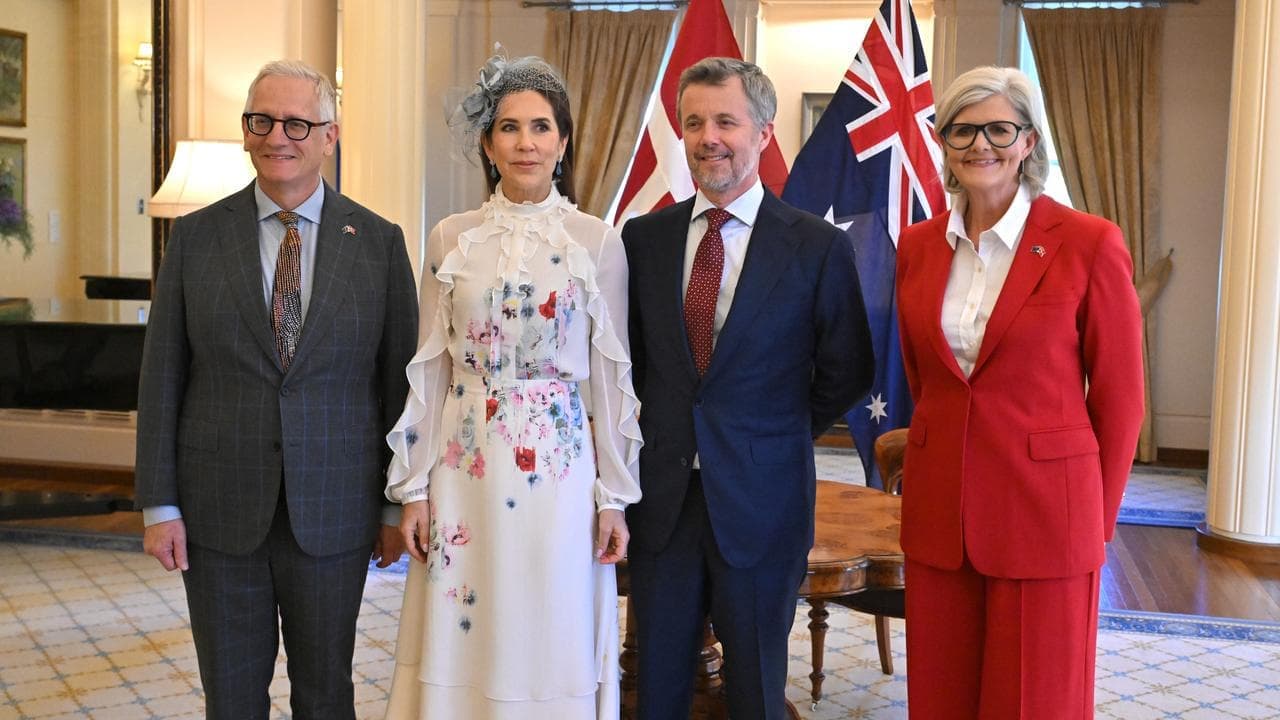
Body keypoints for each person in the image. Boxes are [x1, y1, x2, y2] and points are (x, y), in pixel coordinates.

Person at [135, 59, 418, 719]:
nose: (276, 136)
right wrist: (158, 505)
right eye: (261, 120)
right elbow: (164, 375)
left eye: (297, 122)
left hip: (335, 513)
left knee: (327, 695)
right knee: (232, 698)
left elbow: (399, 387)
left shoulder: (377, 243)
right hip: (218, 513)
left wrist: (390, 507)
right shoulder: (195, 239)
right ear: (245, 131)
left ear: (330, 136)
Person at [382, 52, 641, 719]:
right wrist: (412, 489)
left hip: (558, 478)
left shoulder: (598, 242)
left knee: (546, 615)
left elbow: (613, 382)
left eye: (541, 127)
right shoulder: (450, 237)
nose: (526, 142)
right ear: (488, 144)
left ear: (562, 142)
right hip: (462, 469)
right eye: (509, 128)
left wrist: (613, 498)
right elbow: (429, 368)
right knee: (469, 617)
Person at [621, 57, 875, 719]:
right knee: (657, 684)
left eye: (726, 121)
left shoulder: (816, 246)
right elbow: (634, 362)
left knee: (756, 688)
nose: (709, 136)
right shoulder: (643, 240)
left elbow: (847, 369)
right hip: (664, 500)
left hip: (764, 502)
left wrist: (768, 433)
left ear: (763, 132)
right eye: (695, 121)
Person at [894, 66, 1145, 719]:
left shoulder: (1089, 243)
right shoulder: (918, 246)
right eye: (963, 130)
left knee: (1034, 700)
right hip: (941, 514)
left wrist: (1096, 519)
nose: (981, 144)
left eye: (999, 128)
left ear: (1029, 141)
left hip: (1047, 518)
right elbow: (929, 382)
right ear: (943, 142)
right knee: (942, 696)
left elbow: (1119, 401)